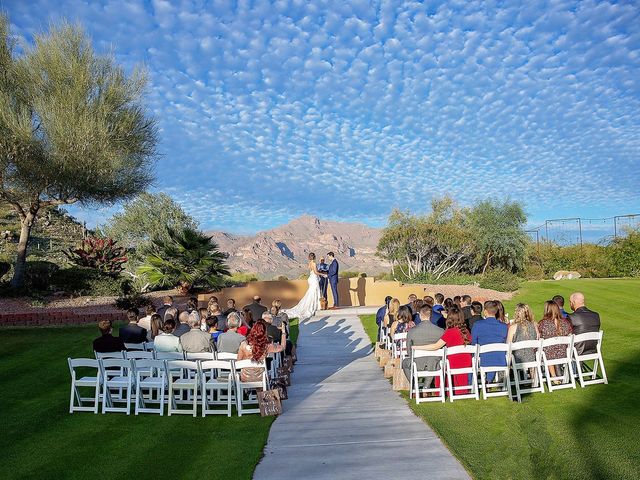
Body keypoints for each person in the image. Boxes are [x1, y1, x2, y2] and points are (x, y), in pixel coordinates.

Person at [414, 308, 472, 395]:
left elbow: (435, 346)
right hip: (466, 362)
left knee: (438, 364)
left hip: (453, 363)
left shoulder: (450, 332)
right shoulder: (466, 331)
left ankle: (440, 390)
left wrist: (417, 347)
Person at [401, 305, 444, 381]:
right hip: (435, 363)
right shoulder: (440, 331)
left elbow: (409, 351)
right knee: (431, 361)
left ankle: (414, 385)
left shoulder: (412, 331)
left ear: (420, 315)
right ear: (430, 316)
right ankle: (426, 386)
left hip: (417, 363)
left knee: (404, 363)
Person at [471, 301, 508, 381]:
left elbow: (473, 343)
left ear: (485, 311)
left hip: (484, 360)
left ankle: (484, 380)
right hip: (500, 359)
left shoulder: (478, 325)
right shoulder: (504, 326)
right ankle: (490, 379)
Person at [282, 253, 325, 321]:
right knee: (314, 291)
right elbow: (316, 272)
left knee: (311, 292)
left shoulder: (310, 263)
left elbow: (311, 271)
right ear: (314, 257)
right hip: (314, 278)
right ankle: (315, 306)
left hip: (311, 278)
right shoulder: (313, 263)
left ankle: (316, 305)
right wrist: (323, 274)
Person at [539, 301, 573, 382]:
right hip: (564, 353)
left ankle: (553, 376)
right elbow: (570, 334)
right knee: (550, 348)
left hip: (549, 355)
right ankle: (557, 374)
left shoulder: (543, 324)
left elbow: (539, 338)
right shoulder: (566, 323)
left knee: (545, 349)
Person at [507, 304, 540, 382]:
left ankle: (512, 378)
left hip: (518, 358)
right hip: (532, 356)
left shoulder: (513, 327)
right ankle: (533, 379)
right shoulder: (535, 325)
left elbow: (508, 345)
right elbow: (537, 340)